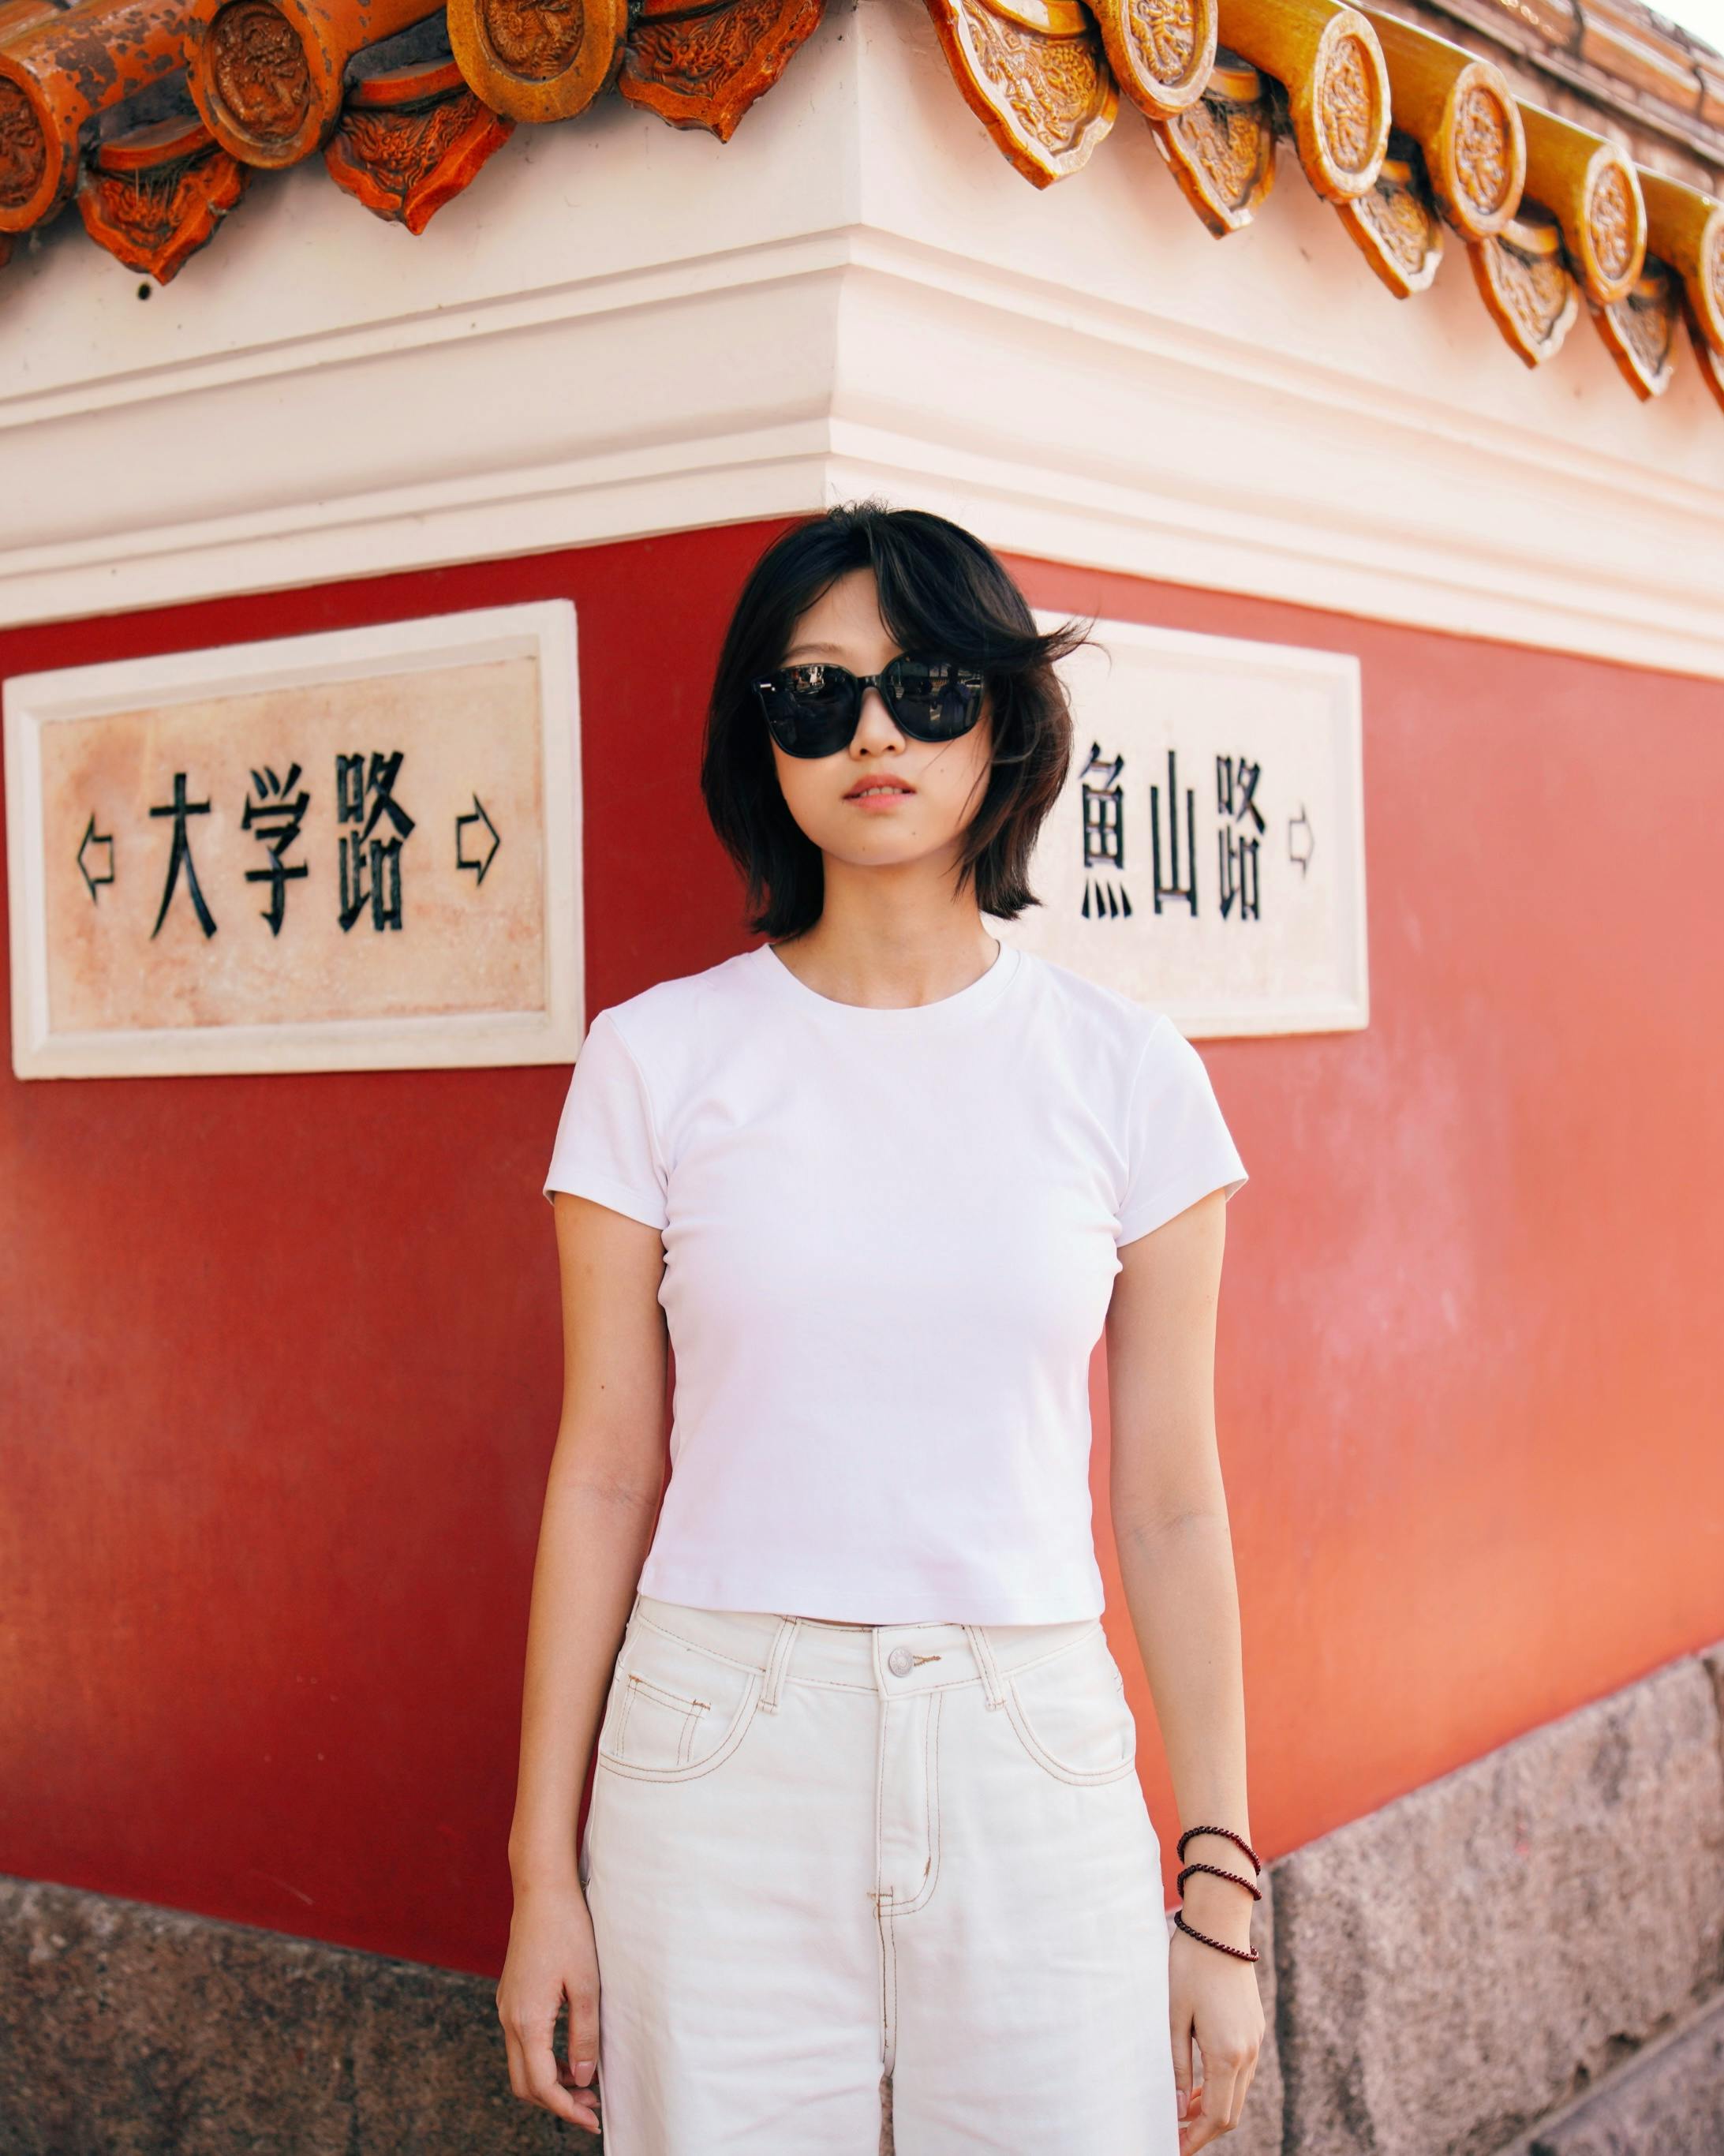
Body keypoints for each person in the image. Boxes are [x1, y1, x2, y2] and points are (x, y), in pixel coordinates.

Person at [496, 501, 1265, 2153]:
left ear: (1002, 718)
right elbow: (605, 1474)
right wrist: (537, 1872)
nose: (870, 734)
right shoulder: (655, 1060)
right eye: (812, 694)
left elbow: (1172, 1502)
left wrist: (1217, 1884)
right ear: (757, 738)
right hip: (716, 1751)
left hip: (1032, 1751)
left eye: (923, 687)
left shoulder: (1129, 1073)